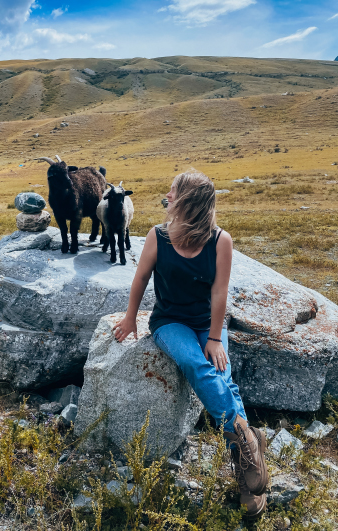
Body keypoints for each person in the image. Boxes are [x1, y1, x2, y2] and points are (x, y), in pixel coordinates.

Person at [112, 170, 268, 519]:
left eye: (173, 191)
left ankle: (248, 473)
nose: (166, 195)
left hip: (206, 324)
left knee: (222, 374)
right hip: (169, 322)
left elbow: (219, 292)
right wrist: (129, 317)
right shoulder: (158, 236)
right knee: (197, 366)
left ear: (187, 203)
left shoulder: (220, 241)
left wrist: (215, 337)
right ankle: (248, 441)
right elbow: (140, 278)